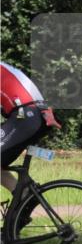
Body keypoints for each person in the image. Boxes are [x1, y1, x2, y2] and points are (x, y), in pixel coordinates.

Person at [1, 61, 61, 194]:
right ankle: (23, 197)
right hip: (39, 115)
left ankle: (23, 194)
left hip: (27, 115)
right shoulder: (5, 68)